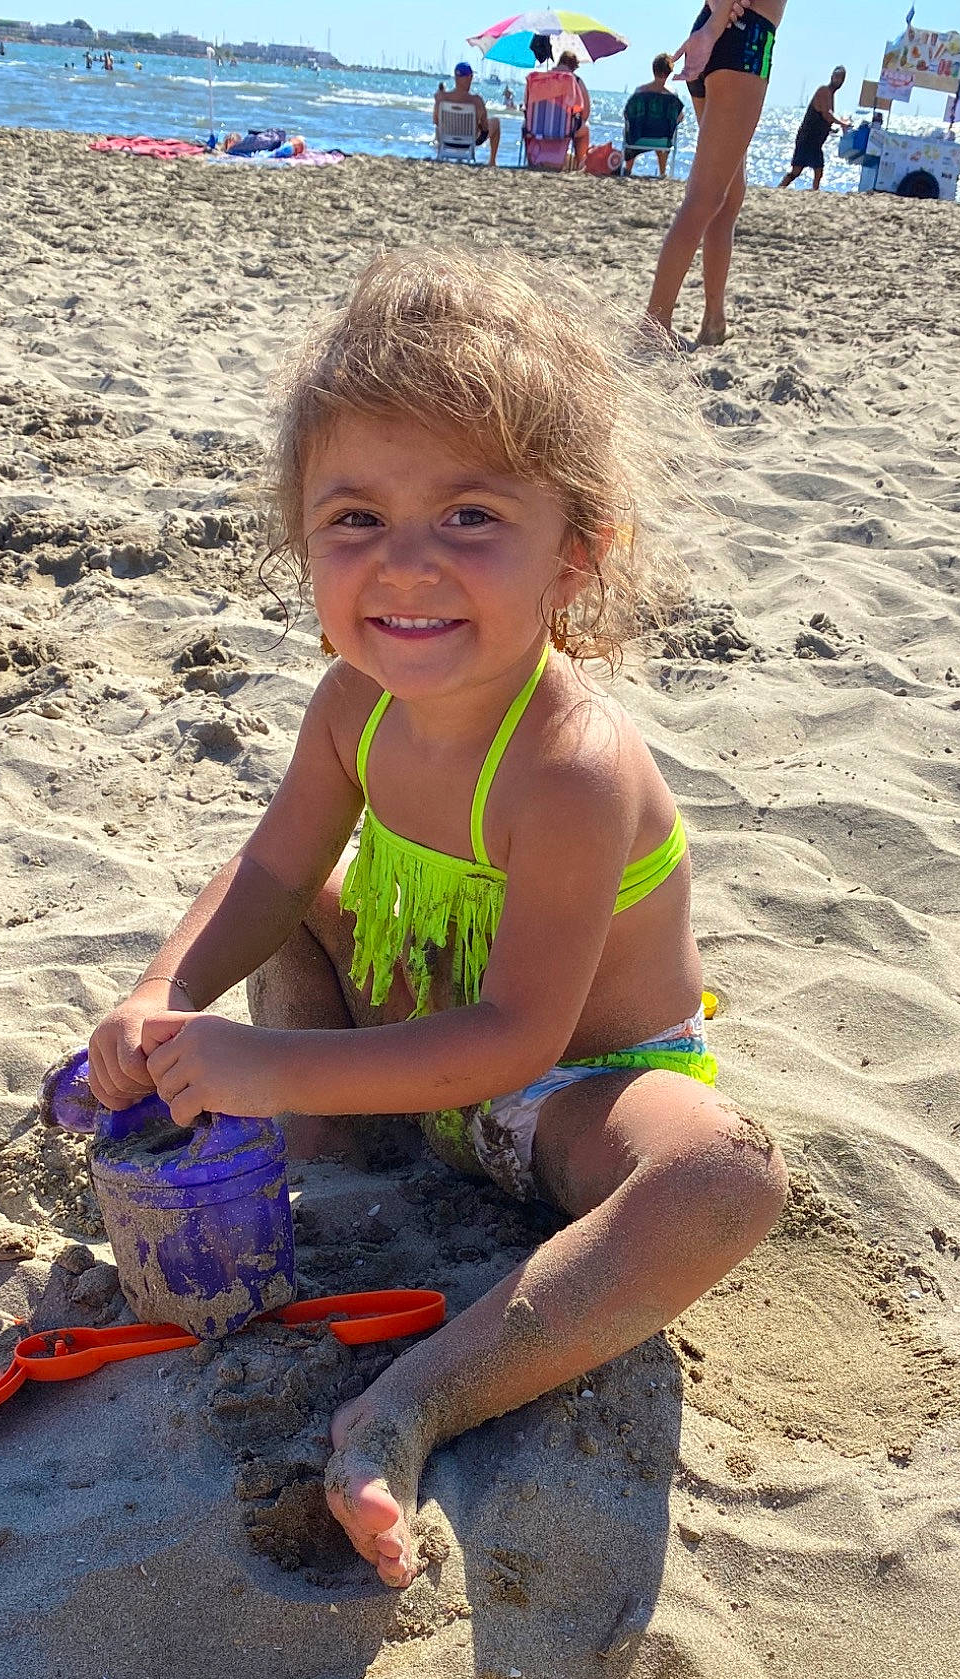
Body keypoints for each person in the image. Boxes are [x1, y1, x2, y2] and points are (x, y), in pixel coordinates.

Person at [86, 250, 787, 1590]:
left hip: (568, 1094)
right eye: (354, 518)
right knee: (303, 910)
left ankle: (415, 1400)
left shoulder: (573, 763)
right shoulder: (351, 705)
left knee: (727, 1178)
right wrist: (159, 995)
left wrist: (267, 1063)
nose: (404, 566)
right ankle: (328, 1160)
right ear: (305, 539)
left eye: (469, 516)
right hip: (405, 1055)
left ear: (574, 554)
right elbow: (272, 876)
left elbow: (520, 1041)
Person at [645, 0, 783, 347]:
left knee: (728, 195)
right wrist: (717, 21)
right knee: (706, 197)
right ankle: (653, 325)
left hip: (720, 29)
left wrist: (714, 18)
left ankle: (714, 320)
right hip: (743, 38)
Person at [779, 66, 849, 190]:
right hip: (807, 137)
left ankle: (814, 191)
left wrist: (832, 128)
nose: (838, 80)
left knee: (818, 170)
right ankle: (780, 188)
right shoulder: (823, 91)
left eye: (841, 78)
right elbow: (826, 114)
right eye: (837, 77)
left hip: (816, 140)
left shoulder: (831, 95)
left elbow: (826, 120)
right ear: (832, 77)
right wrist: (842, 123)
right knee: (797, 171)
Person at [624, 52, 684, 177]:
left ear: (653, 69)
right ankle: (662, 173)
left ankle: (627, 170)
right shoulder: (673, 97)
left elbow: (627, 114)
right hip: (663, 141)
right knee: (663, 131)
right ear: (669, 72)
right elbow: (679, 117)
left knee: (631, 130)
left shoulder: (639, 92)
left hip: (638, 138)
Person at [434, 61, 500, 166]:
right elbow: (485, 128)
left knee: (438, 128)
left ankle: (440, 153)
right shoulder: (476, 101)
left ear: (455, 76)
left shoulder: (441, 97)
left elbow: (436, 121)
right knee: (496, 122)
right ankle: (492, 161)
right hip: (469, 142)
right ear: (470, 77)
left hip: (446, 140)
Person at [551, 49, 590, 168]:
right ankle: (580, 163)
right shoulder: (576, 81)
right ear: (574, 67)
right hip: (566, 129)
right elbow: (585, 113)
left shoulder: (541, 79)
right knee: (585, 129)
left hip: (539, 128)